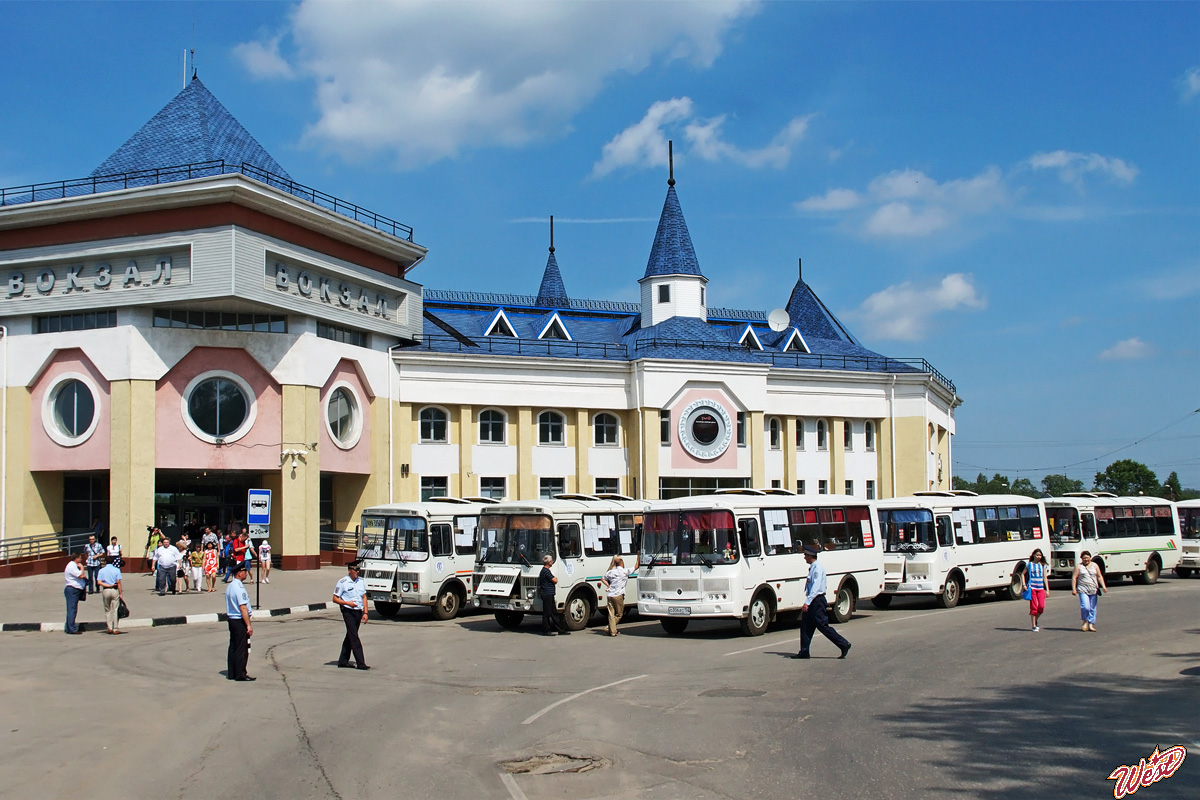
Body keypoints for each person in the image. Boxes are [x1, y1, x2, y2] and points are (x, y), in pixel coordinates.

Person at [793, 545, 850, 659]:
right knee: (805, 626)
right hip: (813, 600)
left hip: (817, 601)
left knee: (822, 626)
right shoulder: (813, 567)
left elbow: (816, 587)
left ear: (810, 556)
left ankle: (843, 644)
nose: (804, 557)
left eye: (805, 555)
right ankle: (804, 651)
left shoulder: (817, 568)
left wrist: (807, 602)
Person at [332, 562, 370, 669]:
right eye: (355, 570)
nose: (357, 572)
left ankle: (343, 661)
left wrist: (365, 613)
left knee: (350, 635)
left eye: (358, 570)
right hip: (348, 611)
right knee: (354, 637)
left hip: (358, 611)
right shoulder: (343, 582)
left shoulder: (361, 581)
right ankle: (361, 663)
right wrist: (348, 603)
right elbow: (335, 598)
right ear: (349, 571)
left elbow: (364, 597)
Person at [225, 563, 254, 681]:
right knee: (241, 648)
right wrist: (248, 625)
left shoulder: (230, 586)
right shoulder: (239, 588)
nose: (246, 573)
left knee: (233, 646)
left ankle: (232, 672)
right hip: (239, 620)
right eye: (244, 572)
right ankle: (240, 673)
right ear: (239, 573)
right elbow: (243, 608)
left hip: (232, 619)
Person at [1071, 550, 1107, 632]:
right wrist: (1074, 589)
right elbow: (1074, 578)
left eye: (1087, 558)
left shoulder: (1095, 566)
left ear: (1090, 558)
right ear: (1081, 559)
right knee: (1085, 606)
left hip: (1093, 589)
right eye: (1084, 558)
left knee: (1092, 608)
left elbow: (1099, 576)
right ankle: (1085, 621)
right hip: (1083, 589)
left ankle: (1091, 624)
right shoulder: (1079, 567)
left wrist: (1103, 586)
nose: (1086, 560)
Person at [538, 554, 570, 636]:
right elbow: (555, 580)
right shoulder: (546, 571)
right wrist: (555, 578)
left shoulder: (543, 571)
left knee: (554, 612)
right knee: (547, 613)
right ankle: (546, 630)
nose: (552, 562)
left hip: (549, 594)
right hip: (547, 594)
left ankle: (560, 629)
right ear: (548, 562)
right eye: (551, 561)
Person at [600, 555, 629, 637]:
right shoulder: (619, 571)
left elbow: (603, 578)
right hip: (617, 594)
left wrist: (608, 586)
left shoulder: (610, 570)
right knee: (619, 614)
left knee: (611, 614)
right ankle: (609, 628)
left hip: (610, 594)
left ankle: (612, 631)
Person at [96, 555, 125, 635]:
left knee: (107, 610)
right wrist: (120, 593)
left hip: (106, 590)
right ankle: (115, 628)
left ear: (105, 562)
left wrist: (107, 585)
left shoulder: (101, 571)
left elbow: (99, 582)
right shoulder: (116, 570)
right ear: (113, 562)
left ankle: (109, 627)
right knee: (115, 610)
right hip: (115, 590)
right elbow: (118, 582)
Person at [1025, 548, 1050, 632]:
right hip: (1032, 588)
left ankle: (1035, 619)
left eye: (1040, 555)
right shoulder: (1029, 565)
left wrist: (1047, 589)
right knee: (1034, 607)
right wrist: (1024, 585)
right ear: (1033, 555)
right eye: (1037, 555)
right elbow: (1022, 574)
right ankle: (1034, 625)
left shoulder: (1043, 565)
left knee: (1041, 606)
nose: (1039, 557)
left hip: (1040, 588)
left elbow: (1045, 577)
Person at [63, 552, 87, 635]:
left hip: (75, 590)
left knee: (72, 609)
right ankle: (72, 629)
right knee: (72, 609)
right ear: (76, 558)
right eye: (80, 558)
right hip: (72, 590)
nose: (81, 560)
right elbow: (80, 575)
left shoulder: (72, 565)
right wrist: (82, 568)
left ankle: (69, 627)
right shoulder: (72, 565)